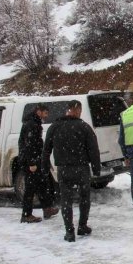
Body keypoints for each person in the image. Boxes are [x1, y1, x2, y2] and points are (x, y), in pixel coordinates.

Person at [43, 100, 101, 242]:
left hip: (63, 169)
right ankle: (82, 226)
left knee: (66, 200)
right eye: (79, 111)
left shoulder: (54, 127)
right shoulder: (84, 127)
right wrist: (96, 168)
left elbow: (46, 150)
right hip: (81, 168)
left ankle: (69, 232)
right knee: (84, 198)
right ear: (78, 110)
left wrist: (45, 167)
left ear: (67, 110)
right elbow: (93, 150)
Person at [18, 103, 59, 223]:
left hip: (36, 159)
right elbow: (29, 145)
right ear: (39, 111)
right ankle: (26, 215)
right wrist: (31, 162)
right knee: (30, 188)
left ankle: (47, 208)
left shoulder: (35, 122)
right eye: (45, 113)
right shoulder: (31, 124)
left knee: (42, 184)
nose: (46, 116)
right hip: (30, 161)